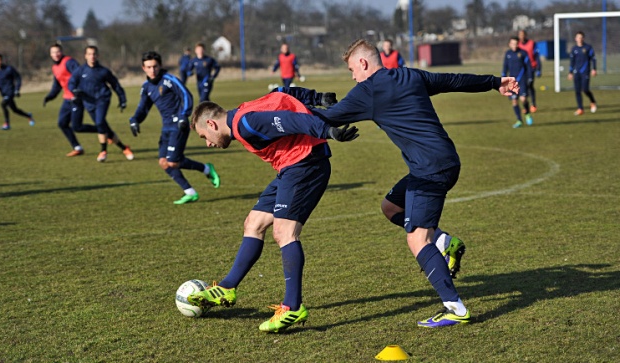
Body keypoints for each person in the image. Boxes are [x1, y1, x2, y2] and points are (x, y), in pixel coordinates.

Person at [278, 39, 519, 328]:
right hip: (441, 162)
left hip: (430, 170)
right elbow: (453, 80)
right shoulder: (410, 75)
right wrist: (494, 82)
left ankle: (455, 308)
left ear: (364, 64)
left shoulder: (368, 91)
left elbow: (324, 117)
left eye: (353, 70)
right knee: (391, 207)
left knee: (417, 238)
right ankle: (445, 242)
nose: (353, 77)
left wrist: (282, 112)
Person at [188, 91, 357, 333]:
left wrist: (328, 131)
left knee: (284, 231)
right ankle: (226, 287)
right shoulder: (243, 113)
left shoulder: (246, 124)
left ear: (212, 124)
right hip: (289, 167)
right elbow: (281, 93)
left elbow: (291, 122)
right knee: (253, 223)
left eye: (205, 136)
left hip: (306, 164)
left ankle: (292, 307)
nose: (208, 143)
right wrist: (317, 96)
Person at [129, 51, 220, 204]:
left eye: (155, 66)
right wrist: (135, 120)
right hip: (166, 128)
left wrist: (184, 115)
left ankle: (206, 169)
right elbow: (143, 108)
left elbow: (186, 95)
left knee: (172, 162)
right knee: (164, 162)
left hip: (179, 125)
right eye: (149, 67)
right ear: (143, 68)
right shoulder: (146, 87)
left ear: (160, 66)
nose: (153, 70)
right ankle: (190, 191)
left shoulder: (169, 80)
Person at [68, 45, 134, 162]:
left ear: (97, 56)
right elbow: (72, 82)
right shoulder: (80, 71)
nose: (92, 56)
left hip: (102, 100)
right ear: (85, 56)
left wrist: (122, 99)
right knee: (103, 127)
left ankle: (103, 151)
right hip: (88, 102)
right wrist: (74, 90)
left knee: (99, 123)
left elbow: (115, 84)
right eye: (89, 54)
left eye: (94, 54)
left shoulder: (103, 71)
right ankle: (124, 148)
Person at [43, 43, 99, 157]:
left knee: (76, 127)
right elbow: (57, 85)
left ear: (61, 52)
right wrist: (50, 96)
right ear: (50, 54)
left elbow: (80, 74)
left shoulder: (69, 62)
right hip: (67, 99)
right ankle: (77, 147)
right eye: (53, 52)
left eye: (58, 51)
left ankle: (103, 130)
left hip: (76, 98)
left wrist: (78, 90)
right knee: (62, 123)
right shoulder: (54, 67)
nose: (56, 54)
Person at [0, 53, 34, 130]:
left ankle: (7, 124)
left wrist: (17, 90)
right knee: (14, 110)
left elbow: (18, 78)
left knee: (3, 104)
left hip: (10, 91)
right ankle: (28, 116)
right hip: (3, 93)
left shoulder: (9, 69)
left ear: (2, 60)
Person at [502, 36, 533, 128]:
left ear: (518, 44)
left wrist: (530, 77)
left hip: (522, 80)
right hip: (512, 81)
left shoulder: (523, 53)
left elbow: (528, 66)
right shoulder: (508, 54)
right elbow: (505, 67)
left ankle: (527, 113)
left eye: (516, 44)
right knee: (514, 101)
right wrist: (503, 78)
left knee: (523, 99)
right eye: (512, 44)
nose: (514, 45)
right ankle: (519, 120)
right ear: (509, 44)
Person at [568, 31, 597, 116]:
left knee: (585, 89)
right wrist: (570, 72)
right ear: (575, 39)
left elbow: (593, 59)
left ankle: (593, 101)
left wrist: (594, 69)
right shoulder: (574, 49)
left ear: (583, 38)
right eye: (578, 37)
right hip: (576, 72)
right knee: (577, 91)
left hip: (585, 72)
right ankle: (580, 108)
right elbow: (572, 61)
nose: (579, 39)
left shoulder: (588, 47)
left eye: (581, 37)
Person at [517, 30, 542, 113]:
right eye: (520, 35)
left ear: (526, 35)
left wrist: (538, 69)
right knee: (523, 87)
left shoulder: (531, 43)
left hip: (531, 68)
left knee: (529, 85)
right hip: (521, 69)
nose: (522, 36)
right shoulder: (517, 45)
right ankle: (526, 105)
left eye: (523, 35)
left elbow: (537, 56)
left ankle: (533, 104)